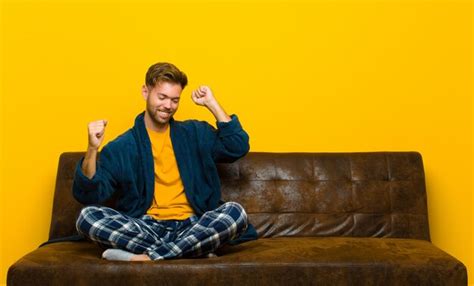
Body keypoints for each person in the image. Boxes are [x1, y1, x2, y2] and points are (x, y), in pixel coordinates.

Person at [73, 62, 257, 261]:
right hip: (146, 227)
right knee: (88, 217)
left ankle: (143, 258)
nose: (168, 106)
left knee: (235, 213)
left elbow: (237, 146)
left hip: (193, 224)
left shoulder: (195, 133)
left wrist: (212, 104)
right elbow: (90, 194)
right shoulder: (122, 146)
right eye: (162, 97)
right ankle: (193, 250)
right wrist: (92, 148)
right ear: (146, 92)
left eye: (175, 100)